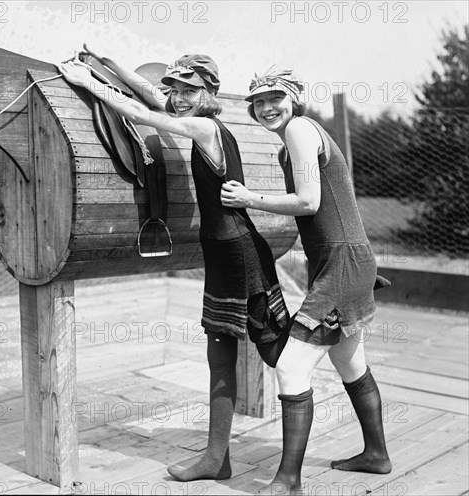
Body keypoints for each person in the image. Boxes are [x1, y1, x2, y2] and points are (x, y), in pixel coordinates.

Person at [58, 49, 291, 482]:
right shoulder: (195, 115)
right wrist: (109, 63)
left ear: (210, 93)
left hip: (240, 255)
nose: (180, 97)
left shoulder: (204, 126)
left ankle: (337, 372)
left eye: (190, 90)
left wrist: (86, 81)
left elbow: (142, 113)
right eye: (177, 89)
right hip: (223, 253)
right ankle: (216, 458)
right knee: (220, 353)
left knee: (281, 354)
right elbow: (150, 94)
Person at [220, 65, 392, 494]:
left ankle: (289, 481)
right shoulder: (296, 139)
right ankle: (376, 455)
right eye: (258, 102)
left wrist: (248, 199)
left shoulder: (298, 129)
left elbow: (309, 202)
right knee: (349, 361)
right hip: (341, 261)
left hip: (341, 266)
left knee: (291, 367)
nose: (266, 108)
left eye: (274, 98)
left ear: (293, 97)